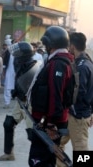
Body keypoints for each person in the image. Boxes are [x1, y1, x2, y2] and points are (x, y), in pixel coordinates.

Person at [28, 26, 75, 167]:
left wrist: (51, 123)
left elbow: (56, 94)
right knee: (48, 158)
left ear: (52, 44)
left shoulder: (58, 64)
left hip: (50, 122)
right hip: (49, 120)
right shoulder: (61, 61)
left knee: (39, 160)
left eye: (47, 43)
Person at [0, 41, 41, 161]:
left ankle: (42, 158)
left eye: (18, 53)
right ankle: (9, 153)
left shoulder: (32, 66)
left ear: (24, 54)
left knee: (33, 134)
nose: (15, 55)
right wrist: (17, 91)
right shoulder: (22, 64)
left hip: (30, 104)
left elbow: (33, 87)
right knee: (8, 123)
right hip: (21, 102)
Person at [57, 32, 93, 167]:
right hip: (76, 115)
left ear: (72, 46)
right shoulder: (88, 62)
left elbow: (79, 94)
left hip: (77, 116)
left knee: (81, 149)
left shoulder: (81, 66)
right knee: (57, 143)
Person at [2, 35, 15, 109]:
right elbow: (5, 63)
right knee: (7, 87)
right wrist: (4, 72)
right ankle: (7, 102)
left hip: (15, 73)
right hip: (9, 72)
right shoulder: (7, 52)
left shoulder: (17, 52)